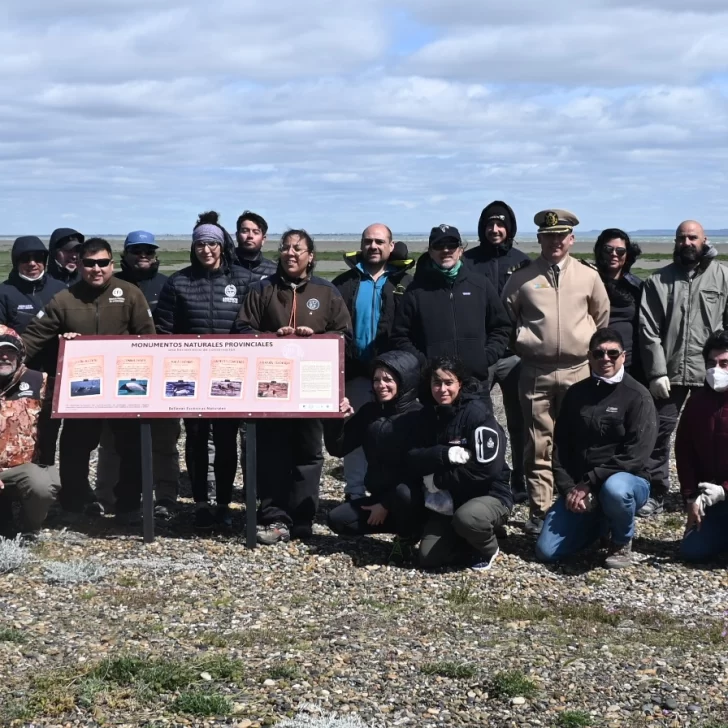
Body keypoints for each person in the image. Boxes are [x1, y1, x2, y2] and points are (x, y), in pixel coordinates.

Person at [22, 237, 155, 522]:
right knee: (74, 448)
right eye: (90, 263)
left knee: (131, 447)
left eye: (103, 263)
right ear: (80, 264)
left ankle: (128, 505)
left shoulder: (130, 294)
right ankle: (76, 502)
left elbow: (149, 339)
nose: (97, 269)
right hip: (84, 390)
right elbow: (32, 338)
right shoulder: (65, 299)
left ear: (112, 264)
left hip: (125, 389)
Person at [233, 229, 352, 545]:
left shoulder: (327, 292)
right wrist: (272, 338)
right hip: (271, 385)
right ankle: (274, 517)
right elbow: (242, 330)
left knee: (309, 452)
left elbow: (344, 337)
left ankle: (302, 517)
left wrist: (317, 338)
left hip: (312, 388)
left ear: (310, 255)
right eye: (285, 248)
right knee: (271, 452)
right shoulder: (262, 290)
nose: (291, 253)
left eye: (298, 249)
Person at [502, 209, 610, 536]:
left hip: (579, 371)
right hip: (536, 372)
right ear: (539, 239)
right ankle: (540, 510)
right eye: (548, 236)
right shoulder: (521, 278)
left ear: (571, 239)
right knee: (538, 444)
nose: (554, 242)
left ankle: (578, 506)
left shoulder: (588, 276)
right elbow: (507, 319)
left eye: (561, 236)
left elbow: (601, 318)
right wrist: (526, 342)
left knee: (580, 442)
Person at [155, 212, 255, 529]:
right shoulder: (179, 282)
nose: (206, 250)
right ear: (193, 247)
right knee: (196, 440)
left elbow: (253, 326)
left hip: (230, 375)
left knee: (226, 442)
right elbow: (164, 331)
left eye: (212, 243)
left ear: (222, 245)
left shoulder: (243, 280)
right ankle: (200, 504)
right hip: (189, 377)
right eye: (200, 244)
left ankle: (224, 503)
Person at [535, 328, 657, 568]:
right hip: (582, 488)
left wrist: (590, 482)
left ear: (624, 356)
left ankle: (621, 540)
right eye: (598, 354)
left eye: (613, 353)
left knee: (616, 490)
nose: (606, 359)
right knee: (546, 552)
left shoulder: (638, 396)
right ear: (589, 357)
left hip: (625, 481)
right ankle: (599, 524)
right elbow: (560, 447)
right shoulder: (575, 394)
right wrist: (570, 489)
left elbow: (635, 455)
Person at [638, 220, 728, 518]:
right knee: (659, 434)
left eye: (692, 237)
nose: (687, 243)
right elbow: (648, 329)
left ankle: (712, 491)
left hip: (713, 372)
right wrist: (656, 372)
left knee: (716, 431)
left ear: (704, 240)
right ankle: (657, 491)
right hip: (670, 372)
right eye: (681, 238)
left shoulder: (723, 277)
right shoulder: (658, 281)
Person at [95, 230, 180, 519]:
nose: (142, 256)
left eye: (148, 251)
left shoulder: (167, 285)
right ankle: (106, 497)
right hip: (119, 375)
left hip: (162, 373)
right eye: (136, 251)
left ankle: (166, 498)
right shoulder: (110, 285)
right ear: (125, 255)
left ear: (155, 255)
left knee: (165, 439)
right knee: (112, 442)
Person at [406, 356, 512, 570]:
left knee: (468, 518)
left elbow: (486, 471)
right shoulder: (426, 415)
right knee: (428, 559)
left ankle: (488, 547)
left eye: (448, 382)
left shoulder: (478, 415)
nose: (442, 389)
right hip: (448, 501)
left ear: (460, 384)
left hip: (488, 494)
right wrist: (443, 454)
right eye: (437, 383)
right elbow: (412, 456)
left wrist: (439, 480)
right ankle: (468, 538)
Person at [332, 223, 414, 501]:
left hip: (395, 375)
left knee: (396, 433)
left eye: (380, 242)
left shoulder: (405, 284)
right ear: (361, 245)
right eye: (368, 241)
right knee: (355, 433)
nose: (373, 246)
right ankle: (355, 491)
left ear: (391, 247)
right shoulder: (343, 283)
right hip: (355, 372)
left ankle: (393, 492)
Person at [390, 224, 511, 397]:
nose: (446, 250)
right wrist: (426, 363)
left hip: (475, 382)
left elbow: (501, 327)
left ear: (460, 250)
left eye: (451, 245)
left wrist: (484, 357)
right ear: (430, 252)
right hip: (435, 386)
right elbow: (400, 336)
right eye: (439, 246)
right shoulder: (416, 291)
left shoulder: (480, 285)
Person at [325, 350, 424, 557]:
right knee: (338, 519)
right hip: (379, 495)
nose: (381, 385)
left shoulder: (419, 416)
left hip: (413, 498)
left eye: (388, 379)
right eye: (377, 379)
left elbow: (419, 474)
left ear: (404, 380)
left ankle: (411, 534)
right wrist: (335, 418)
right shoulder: (370, 411)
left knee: (404, 494)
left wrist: (386, 504)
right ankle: (399, 525)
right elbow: (337, 449)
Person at [464, 201, 530, 502]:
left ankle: (520, 479)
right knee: (479, 418)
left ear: (510, 228)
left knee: (520, 422)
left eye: (501, 224)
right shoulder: (468, 261)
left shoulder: (523, 262)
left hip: (515, 355)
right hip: (479, 354)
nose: (495, 230)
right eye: (490, 224)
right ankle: (489, 476)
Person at [0, 325, 60, 539]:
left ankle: (30, 530)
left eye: (10, 352)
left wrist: (74, 347)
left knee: (42, 485)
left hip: (23, 469)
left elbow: (77, 391)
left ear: (20, 354)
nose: (4, 357)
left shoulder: (39, 381)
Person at [675, 330, 728, 562]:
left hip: (722, 492)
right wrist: (691, 496)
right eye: (711, 363)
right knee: (692, 551)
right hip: (713, 499)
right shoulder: (696, 404)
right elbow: (684, 453)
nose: (717, 370)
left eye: (725, 363)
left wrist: (725, 490)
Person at [593, 229, 644, 379]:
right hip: (598, 360)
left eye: (620, 251)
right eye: (608, 249)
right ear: (600, 251)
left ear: (627, 254)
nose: (614, 254)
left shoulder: (635, 286)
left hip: (630, 362)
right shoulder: (589, 280)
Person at [0, 236, 67, 335]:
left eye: (38, 257)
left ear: (44, 261)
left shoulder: (60, 289)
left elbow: (71, 322)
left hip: (56, 349)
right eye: (25, 258)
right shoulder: (3, 292)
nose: (32, 263)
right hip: (19, 348)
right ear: (16, 262)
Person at [235, 210, 277, 279]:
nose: (250, 236)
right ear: (237, 236)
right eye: (245, 231)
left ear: (263, 239)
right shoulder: (223, 266)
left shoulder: (274, 272)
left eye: (256, 232)